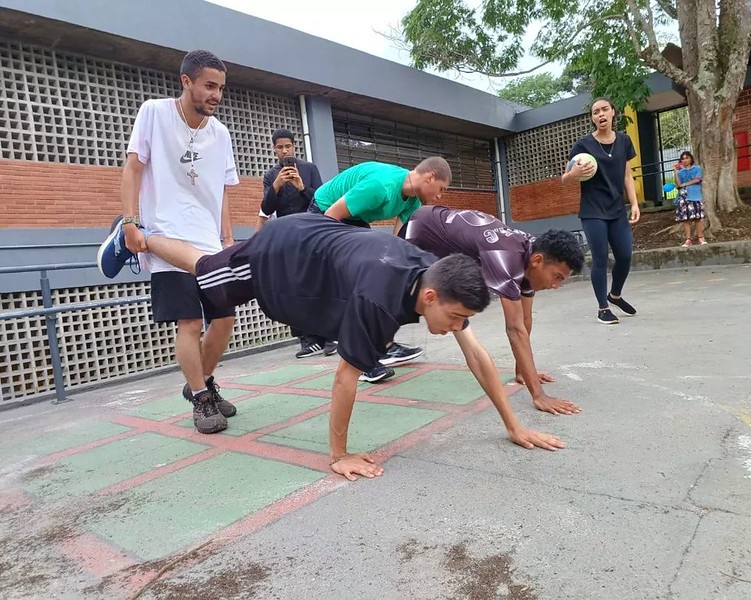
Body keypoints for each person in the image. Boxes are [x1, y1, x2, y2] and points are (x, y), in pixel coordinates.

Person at [140, 213, 566, 481]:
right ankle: (138, 239)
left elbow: (476, 355)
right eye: (456, 318)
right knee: (202, 267)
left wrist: (513, 423)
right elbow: (346, 377)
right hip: (280, 253)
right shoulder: (377, 301)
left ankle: (142, 239)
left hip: (320, 242)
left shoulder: (437, 276)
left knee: (209, 277)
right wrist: (339, 455)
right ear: (431, 298)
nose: (458, 327)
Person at [97, 50, 239, 435]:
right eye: (209, 86)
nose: (216, 95)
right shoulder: (154, 113)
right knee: (190, 321)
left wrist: (227, 239)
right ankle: (201, 397)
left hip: (208, 242)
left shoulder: (221, 133)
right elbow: (133, 168)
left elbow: (225, 191)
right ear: (186, 81)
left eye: (221, 88)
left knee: (225, 319)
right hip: (165, 235)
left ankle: (201, 384)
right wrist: (130, 223)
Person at [404, 206, 585, 415]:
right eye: (557, 277)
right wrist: (539, 395)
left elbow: (525, 319)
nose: (556, 286)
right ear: (537, 261)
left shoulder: (530, 254)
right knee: (404, 300)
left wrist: (525, 373)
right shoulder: (506, 257)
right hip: (420, 229)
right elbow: (515, 329)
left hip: (448, 239)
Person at [310, 157, 452, 382]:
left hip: (355, 218)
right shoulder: (381, 187)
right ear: (430, 177)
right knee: (353, 286)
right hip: (326, 212)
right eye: (441, 189)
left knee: (380, 277)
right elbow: (330, 218)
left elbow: (395, 245)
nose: (439, 197)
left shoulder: (412, 202)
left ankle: (385, 345)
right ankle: (364, 362)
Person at [255, 128, 334, 359]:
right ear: (274, 149)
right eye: (279, 147)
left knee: (320, 283)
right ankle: (308, 340)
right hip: (287, 236)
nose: (284, 151)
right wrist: (277, 185)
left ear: (294, 146)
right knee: (294, 287)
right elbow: (267, 209)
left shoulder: (309, 169)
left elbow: (322, 200)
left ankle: (331, 335)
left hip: (312, 232)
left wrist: (301, 186)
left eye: (287, 146)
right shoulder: (271, 175)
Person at [562, 97, 641, 325]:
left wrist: (634, 203)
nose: (601, 114)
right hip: (592, 210)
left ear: (613, 112)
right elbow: (565, 178)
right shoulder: (583, 146)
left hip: (616, 209)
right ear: (592, 118)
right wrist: (573, 175)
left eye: (605, 109)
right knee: (600, 258)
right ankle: (603, 308)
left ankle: (614, 295)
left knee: (625, 256)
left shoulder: (624, 141)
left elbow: (627, 175)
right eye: (596, 112)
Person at [673, 151, 706, 247]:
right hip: (684, 197)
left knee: (697, 217)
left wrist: (685, 184)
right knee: (685, 219)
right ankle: (688, 239)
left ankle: (700, 237)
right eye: (682, 158)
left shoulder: (697, 168)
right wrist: (675, 172)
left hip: (695, 196)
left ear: (691, 159)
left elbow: (697, 179)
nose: (685, 160)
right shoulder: (680, 172)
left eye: (687, 158)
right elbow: (678, 184)